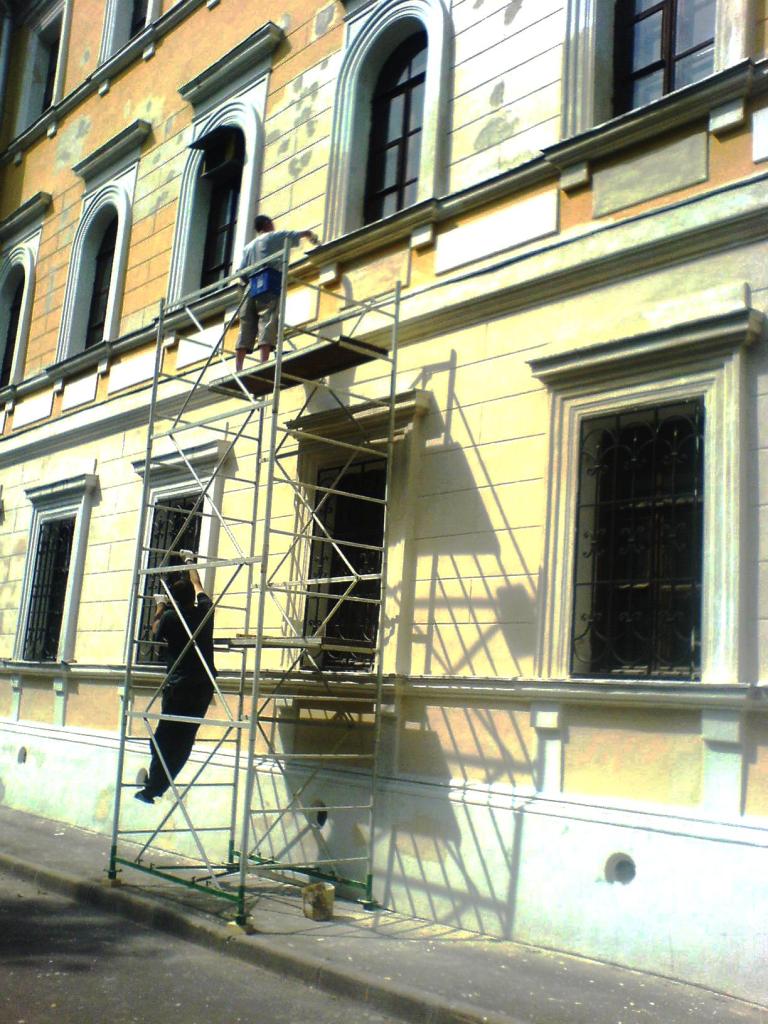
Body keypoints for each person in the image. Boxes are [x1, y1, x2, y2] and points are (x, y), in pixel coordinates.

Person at [135, 552, 216, 804]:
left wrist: (160, 605)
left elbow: (155, 632)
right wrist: (190, 563)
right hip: (203, 686)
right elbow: (198, 585)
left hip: (180, 686)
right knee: (185, 739)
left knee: (163, 739)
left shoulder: (171, 617)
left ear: (174, 600)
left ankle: (154, 787)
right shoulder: (205, 611)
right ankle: (157, 786)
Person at [235, 214, 319, 371]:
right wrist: (311, 236)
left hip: (249, 287)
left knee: (246, 325)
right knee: (267, 319)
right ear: (267, 223)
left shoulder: (248, 247)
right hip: (267, 282)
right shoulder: (272, 237)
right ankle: (264, 363)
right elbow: (295, 234)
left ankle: (238, 367)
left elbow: (241, 272)